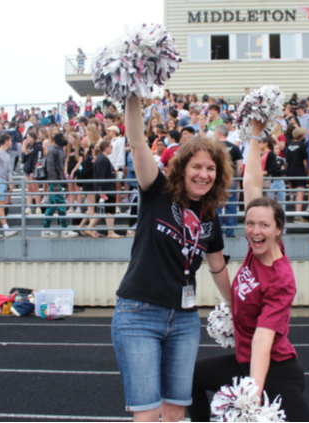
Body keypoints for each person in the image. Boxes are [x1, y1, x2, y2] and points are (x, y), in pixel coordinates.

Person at [188, 118, 309, 423]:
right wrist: (256, 135)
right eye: (250, 224)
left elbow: (263, 339)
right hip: (243, 361)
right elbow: (252, 184)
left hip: (275, 369)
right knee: (187, 379)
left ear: (278, 230)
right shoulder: (255, 248)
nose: (254, 231)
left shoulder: (281, 278)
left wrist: (252, 395)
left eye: (263, 225)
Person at [111, 96, 233, 423]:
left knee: (176, 410)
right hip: (139, 313)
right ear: (182, 168)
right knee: (149, 415)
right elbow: (137, 144)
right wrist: (133, 93)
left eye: (211, 168)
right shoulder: (157, 190)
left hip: (184, 320)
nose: (204, 174)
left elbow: (217, 265)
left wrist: (236, 305)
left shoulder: (210, 215)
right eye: (197, 166)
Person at [42, 134, 79, 239]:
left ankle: (45, 229)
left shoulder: (58, 150)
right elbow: (51, 168)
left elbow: (59, 168)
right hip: (54, 182)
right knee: (61, 204)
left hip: (56, 182)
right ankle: (64, 229)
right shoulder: (53, 151)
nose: (65, 140)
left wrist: (64, 183)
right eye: (63, 138)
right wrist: (55, 183)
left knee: (52, 206)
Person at [85, 141, 124, 239]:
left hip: (105, 188)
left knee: (102, 211)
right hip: (106, 189)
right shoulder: (102, 159)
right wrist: (102, 191)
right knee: (109, 210)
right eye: (110, 146)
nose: (112, 148)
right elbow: (101, 176)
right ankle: (110, 232)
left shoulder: (102, 159)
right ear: (106, 147)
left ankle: (90, 228)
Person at [214, 124, 243, 238]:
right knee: (231, 206)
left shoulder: (213, 147)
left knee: (216, 206)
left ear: (219, 134)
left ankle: (218, 233)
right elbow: (240, 166)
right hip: (231, 180)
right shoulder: (235, 148)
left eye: (215, 132)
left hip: (216, 180)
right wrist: (236, 177)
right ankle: (230, 232)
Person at [287, 127, 308, 224]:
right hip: (299, 171)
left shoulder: (289, 146)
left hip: (290, 171)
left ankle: (297, 215)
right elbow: (305, 161)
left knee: (296, 193)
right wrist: (307, 173)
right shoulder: (303, 146)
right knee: (300, 193)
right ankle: (298, 216)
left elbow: (287, 161)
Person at [0, 134, 18, 239]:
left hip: (3, 182)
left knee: (1, 206)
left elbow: (9, 171)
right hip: (0, 181)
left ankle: (5, 229)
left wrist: (10, 182)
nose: (11, 143)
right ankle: (6, 229)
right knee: (0, 206)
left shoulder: (7, 155)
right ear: (6, 141)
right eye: (10, 141)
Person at [21, 129, 43, 215]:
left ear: (34, 137)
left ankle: (38, 206)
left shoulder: (38, 146)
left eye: (29, 137)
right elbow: (23, 158)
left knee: (35, 188)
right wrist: (24, 147)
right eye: (26, 138)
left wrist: (34, 169)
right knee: (29, 188)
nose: (27, 139)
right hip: (27, 169)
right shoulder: (29, 147)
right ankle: (28, 207)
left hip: (34, 170)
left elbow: (38, 159)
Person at [65, 133, 84, 214]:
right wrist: (65, 172)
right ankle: (71, 206)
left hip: (76, 171)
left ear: (75, 139)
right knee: (70, 190)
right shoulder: (67, 149)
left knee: (77, 189)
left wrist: (73, 171)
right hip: (69, 171)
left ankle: (78, 207)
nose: (70, 140)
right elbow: (66, 161)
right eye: (69, 138)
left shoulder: (80, 148)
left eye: (71, 138)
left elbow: (80, 161)